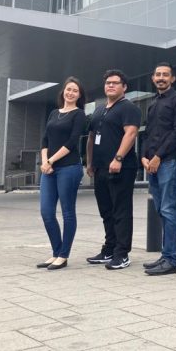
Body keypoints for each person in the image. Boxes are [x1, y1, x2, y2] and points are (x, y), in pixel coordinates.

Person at [86, 70, 141, 270]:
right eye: (108, 83)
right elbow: (91, 138)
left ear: (124, 87)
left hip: (121, 168)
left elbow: (131, 133)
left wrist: (118, 158)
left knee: (121, 211)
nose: (111, 86)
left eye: (115, 83)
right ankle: (109, 249)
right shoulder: (99, 110)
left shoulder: (129, 108)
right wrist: (89, 162)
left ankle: (122, 253)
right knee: (106, 211)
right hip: (99, 169)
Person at [141, 62, 176, 276]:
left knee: (169, 209)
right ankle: (165, 254)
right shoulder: (153, 103)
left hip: (168, 162)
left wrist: (158, 156)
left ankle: (171, 259)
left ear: (173, 78)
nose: (161, 78)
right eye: (158, 74)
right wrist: (144, 156)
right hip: (152, 164)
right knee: (160, 209)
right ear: (153, 78)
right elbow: (148, 132)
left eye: (165, 75)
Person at [37, 77, 87, 270]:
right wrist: (44, 162)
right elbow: (44, 140)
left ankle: (63, 255)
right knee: (46, 212)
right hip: (48, 169)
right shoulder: (53, 113)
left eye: (75, 90)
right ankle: (56, 251)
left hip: (69, 168)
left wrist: (51, 160)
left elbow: (72, 141)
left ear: (79, 95)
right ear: (63, 92)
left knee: (67, 212)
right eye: (68, 89)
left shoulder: (79, 114)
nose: (71, 93)